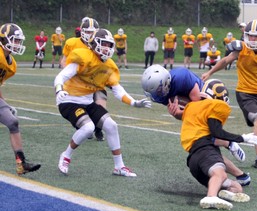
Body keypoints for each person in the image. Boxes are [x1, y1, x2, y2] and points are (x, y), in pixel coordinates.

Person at [54, 28, 151, 176]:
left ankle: (119, 166)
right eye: (103, 44)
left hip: (87, 102)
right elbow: (61, 76)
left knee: (111, 126)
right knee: (88, 128)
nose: (106, 48)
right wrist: (59, 90)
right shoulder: (83, 56)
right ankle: (65, 156)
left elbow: (117, 89)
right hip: (69, 100)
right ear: (94, 43)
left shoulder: (109, 65)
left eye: (109, 45)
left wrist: (134, 102)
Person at [141, 65, 251, 186]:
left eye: (158, 90)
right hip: (193, 110)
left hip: (206, 102)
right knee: (205, 148)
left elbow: (197, 108)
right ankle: (241, 174)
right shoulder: (159, 96)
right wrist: (176, 114)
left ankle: (228, 144)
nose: (157, 94)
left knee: (205, 146)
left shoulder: (181, 77)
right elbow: (184, 116)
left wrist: (182, 113)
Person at [202, 19, 257, 170]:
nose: (252, 39)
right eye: (249, 35)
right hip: (246, 93)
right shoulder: (241, 48)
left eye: (256, 36)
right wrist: (210, 71)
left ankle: (256, 138)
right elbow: (226, 60)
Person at [181, 79, 257, 210]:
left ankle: (220, 193)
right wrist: (242, 138)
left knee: (237, 187)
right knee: (221, 174)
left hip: (193, 161)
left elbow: (205, 133)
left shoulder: (191, 106)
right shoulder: (217, 105)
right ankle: (211, 197)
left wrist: (230, 144)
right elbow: (216, 131)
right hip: (205, 151)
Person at [0, 23, 41, 175]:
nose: (18, 44)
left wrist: (5, 103)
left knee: (13, 122)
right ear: (3, 39)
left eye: (18, 41)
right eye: (15, 40)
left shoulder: (12, 65)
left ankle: (21, 163)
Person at [61, 17, 105, 141]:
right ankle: (83, 125)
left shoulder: (99, 43)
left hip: (94, 79)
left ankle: (98, 129)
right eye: (88, 31)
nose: (91, 34)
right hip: (77, 81)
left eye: (93, 31)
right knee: (76, 106)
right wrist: (69, 73)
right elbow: (64, 60)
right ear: (82, 31)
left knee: (101, 103)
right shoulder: (72, 43)